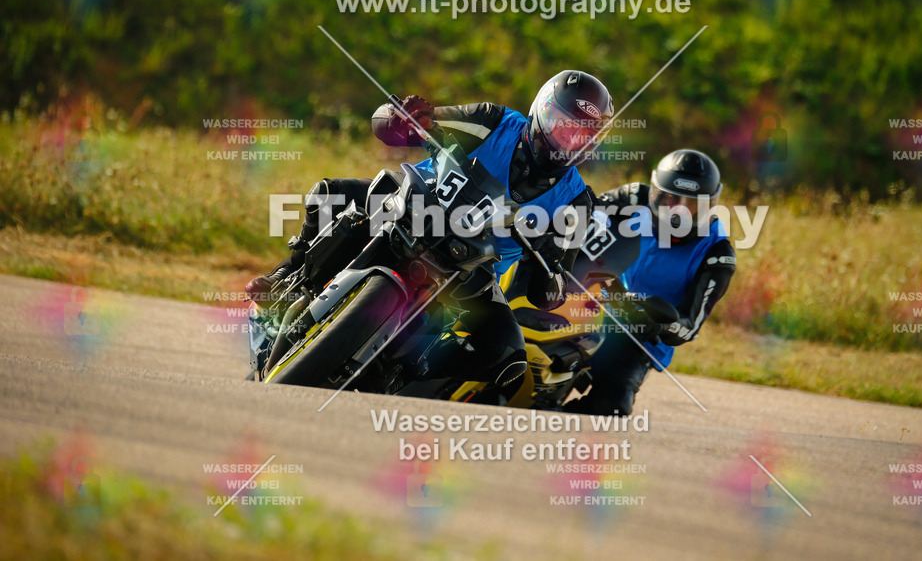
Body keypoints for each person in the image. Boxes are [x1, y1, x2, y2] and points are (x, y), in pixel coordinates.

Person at [245, 70, 614, 389]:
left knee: (507, 356)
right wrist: (401, 119)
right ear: (541, 112)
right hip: (417, 204)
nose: (567, 140)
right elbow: (396, 125)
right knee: (329, 194)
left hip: (474, 267)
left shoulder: (577, 201)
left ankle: (404, 374)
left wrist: (550, 269)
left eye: (580, 135)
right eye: (562, 125)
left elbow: (551, 289)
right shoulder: (494, 121)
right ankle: (287, 275)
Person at [567, 149, 736, 415]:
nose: (678, 212)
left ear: (710, 207)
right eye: (671, 198)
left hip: (636, 337)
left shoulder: (717, 254)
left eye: (691, 204)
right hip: (585, 300)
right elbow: (583, 213)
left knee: (612, 407)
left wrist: (657, 322)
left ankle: (555, 420)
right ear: (655, 193)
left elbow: (690, 326)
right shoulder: (634, 198)